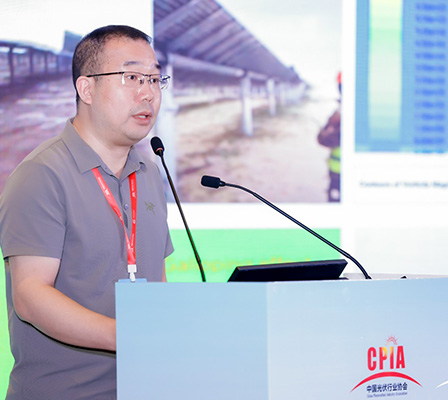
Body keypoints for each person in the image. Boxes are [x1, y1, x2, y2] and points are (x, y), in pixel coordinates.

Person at [0, 25, 174, 399]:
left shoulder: (149, 173)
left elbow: (156, 280)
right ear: (87, 89)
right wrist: (123, 336)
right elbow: (30, 294)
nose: (148, 93)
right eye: (132, 78)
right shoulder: (42, 174)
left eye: (154, 79)